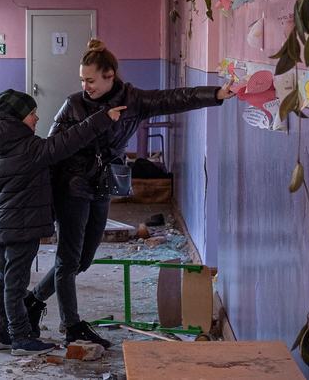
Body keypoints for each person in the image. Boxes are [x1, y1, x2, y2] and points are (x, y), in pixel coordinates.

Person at [23, 39, 235, 349]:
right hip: (71, 185)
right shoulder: (73, 104)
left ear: (110, 75)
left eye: (91, 80)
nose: (85, 86)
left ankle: (33, 300)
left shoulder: (133, 100)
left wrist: (215, 94)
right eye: (82, 80)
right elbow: (53, 149)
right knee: (68, 260)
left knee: (82, 259)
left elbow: (173, 98)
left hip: (103, 184)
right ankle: (72, 326)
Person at [0, 88, 127, 356]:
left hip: (6, 222)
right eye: (31, 114)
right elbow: (68, 141)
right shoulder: (29, 149)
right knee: (15, 282)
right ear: (16, 119)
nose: (36, 119)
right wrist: (102, 118)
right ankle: (21, 336)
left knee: (3, 277)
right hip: (22, 224)